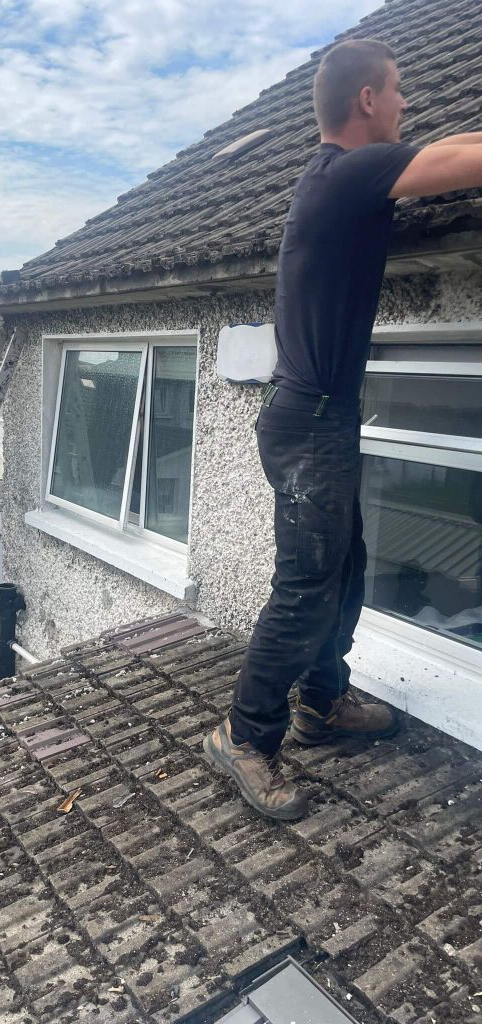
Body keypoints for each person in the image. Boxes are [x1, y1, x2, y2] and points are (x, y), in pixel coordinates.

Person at [203, 38, 482, 821]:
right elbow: (466, 159)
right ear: (367, 100)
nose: (406, 104)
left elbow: (454, 144)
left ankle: (323, 703)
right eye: (398, 91)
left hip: (318, 419)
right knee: (305, 589)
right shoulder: (348, 171)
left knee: (344, 570)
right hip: (309, 423)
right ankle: (243, 735)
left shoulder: (342, 176)